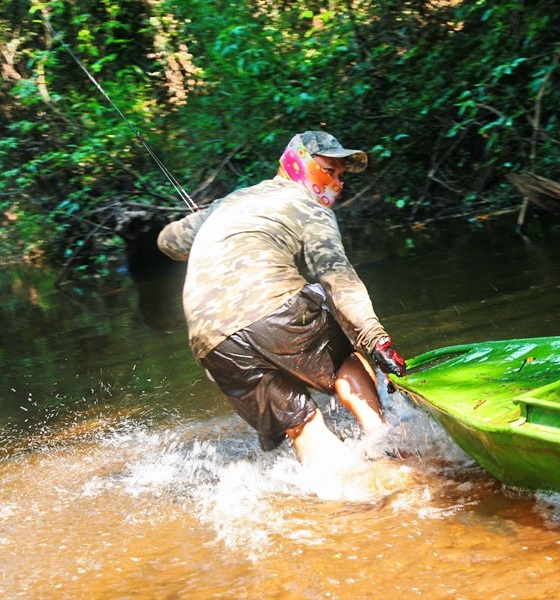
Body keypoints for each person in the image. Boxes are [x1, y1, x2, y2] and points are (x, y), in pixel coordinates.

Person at [157, 130, 406, 467]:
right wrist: (376, 339)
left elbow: (168, 242)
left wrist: (205, 218)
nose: (335, 181)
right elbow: (338, 278)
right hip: (272, 309)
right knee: (348, 355)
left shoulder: (231, 201)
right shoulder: (310, 208)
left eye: (340, 175)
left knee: (302, 426)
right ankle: (387, 444)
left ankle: (347, 499)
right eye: (328, 169)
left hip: (211, 340)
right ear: (297, 161)